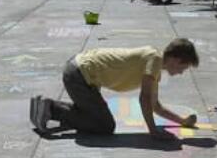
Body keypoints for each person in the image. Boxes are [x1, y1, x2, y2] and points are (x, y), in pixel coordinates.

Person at [30, 38, 200, 139]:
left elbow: (155, 105)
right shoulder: (154, 60)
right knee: (104, 126)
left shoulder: (155, 64)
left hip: (81, 73)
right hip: (79, 75)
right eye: (183, 68)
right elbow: (144, 99)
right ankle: (51, 109)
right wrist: (153, 131)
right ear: (175, 59)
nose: (181, 73)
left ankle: (47, 107)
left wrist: (182, 122)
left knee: (95, 117)